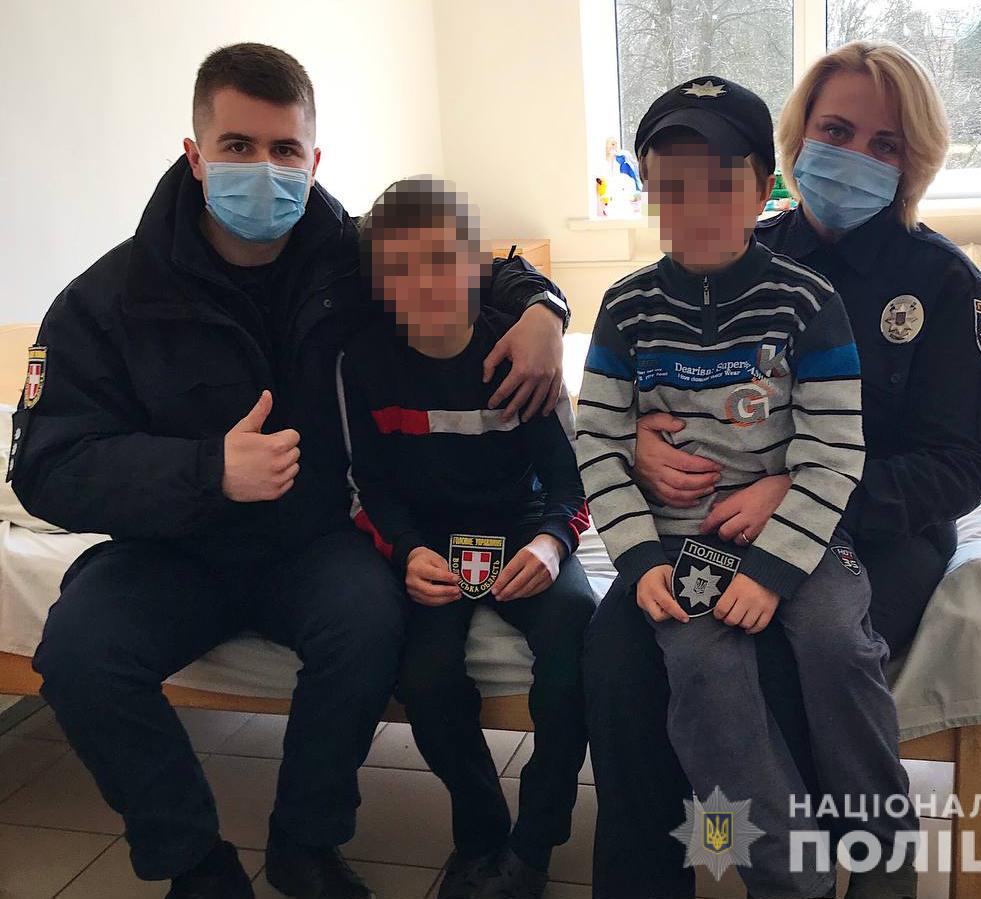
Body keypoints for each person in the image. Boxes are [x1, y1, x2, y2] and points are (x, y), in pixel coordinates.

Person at [9, 44, 570, 899]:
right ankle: (194, 862)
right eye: (238, 146)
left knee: (368, 622)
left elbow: (464, 267)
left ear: (314, 159)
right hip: (170, 548)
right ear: (195, 155)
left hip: (311, 540)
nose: (263, 169)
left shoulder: (349, 257)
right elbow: (47, 464)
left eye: (284, 150)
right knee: (80, 652)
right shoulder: (110, 297)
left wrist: (543, 308)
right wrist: (205, 470)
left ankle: (305, 843)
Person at [584, 42, 981, 899]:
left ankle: (857, 860)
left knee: (795, 654)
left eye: (884, 143)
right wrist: (637, 446)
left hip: (873, 528)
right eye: (836, 130)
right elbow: (617, 404)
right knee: (622, 653)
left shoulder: (942, 281)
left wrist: (797, 491)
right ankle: (653, 875)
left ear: (915, 159)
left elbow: (960, 467)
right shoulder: (736, 248)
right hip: (711, 522)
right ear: (796, 138)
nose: (854, 156)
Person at [339, 177, 595, 899]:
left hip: (521, 524)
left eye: (442, 260)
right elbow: (368, 486)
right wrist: (406, 550)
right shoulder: (364, 363)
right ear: (377, 284)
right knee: (423, 678)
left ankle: (536, 840)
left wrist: (551, 544)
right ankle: (480, 829)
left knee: (577, 622)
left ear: (477, 265)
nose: (425, 284)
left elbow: (573, 482)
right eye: (400, 269)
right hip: (430, 540)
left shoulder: (519, 352)